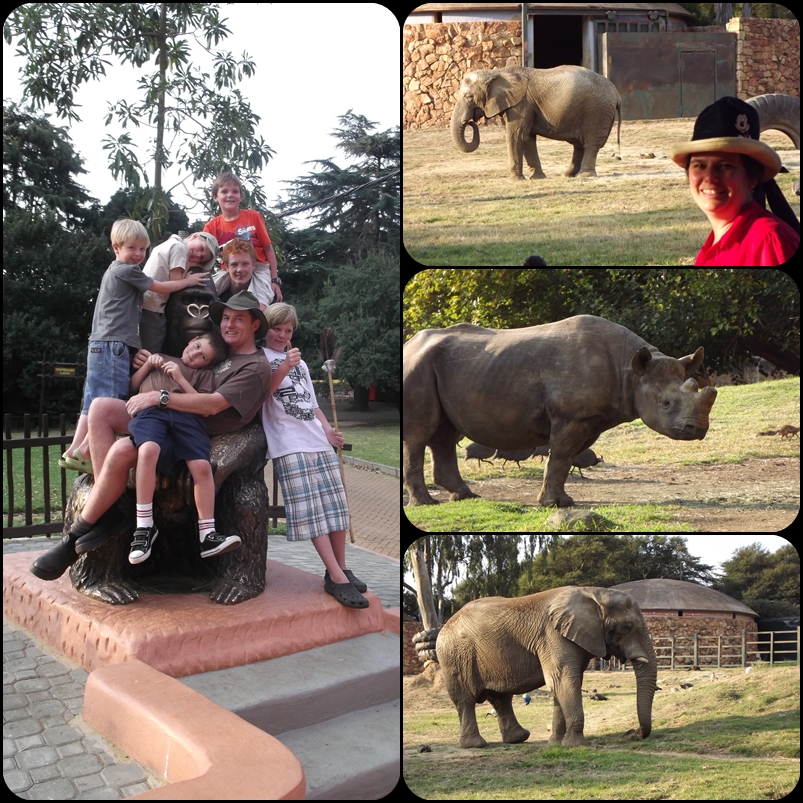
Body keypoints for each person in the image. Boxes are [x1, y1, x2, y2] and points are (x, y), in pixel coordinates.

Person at [31, 291, 272, 582]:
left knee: (122, 453)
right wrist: (147, 362)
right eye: (227, 318)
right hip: (168, 420)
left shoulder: (254, 367)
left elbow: (212, 405)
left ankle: (76, 536)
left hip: (193, 433)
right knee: (101, 408)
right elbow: (187, 361)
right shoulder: (225, 353)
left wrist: (160, 397)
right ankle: (107, 512)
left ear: (255, 325)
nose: (229, 324)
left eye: (239, 319)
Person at [60, 219, 209, 474]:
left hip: (99, 344)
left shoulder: (114, 270)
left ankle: (74, 450)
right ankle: (91, 456)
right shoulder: (127, 270)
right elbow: (159, 287)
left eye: (142, 249)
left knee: (91, 401)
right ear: (116, 247)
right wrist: (187, 281)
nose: (138, 255)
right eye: (132, 248)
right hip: (114, 345)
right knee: (112, 401)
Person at [260, 302, 369, 609]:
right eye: (276, 329)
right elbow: (261, 396)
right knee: (312, 513)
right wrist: (283, 366)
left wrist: (328, 431)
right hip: (288, 444)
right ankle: (335, 577)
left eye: (288, 330)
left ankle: (341, 567)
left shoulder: (302, 364)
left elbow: (313, 404)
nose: (282, 335)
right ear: (265, 328)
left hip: (317, 442)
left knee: (336, 508)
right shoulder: (261, 359)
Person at [127, 331, 241, 564]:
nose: (195, 354)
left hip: (187, 419)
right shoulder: (160, 357)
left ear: (207, 364)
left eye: (202, 356)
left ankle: (207, 534)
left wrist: (180, 378)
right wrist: (148, 364)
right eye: (197, 346)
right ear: (191, 339)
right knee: (148, 449)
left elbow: (201, 406)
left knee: (201, 466)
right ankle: (144, 527)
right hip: (151, 414)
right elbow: (133, 386)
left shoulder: (204, 375)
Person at [668, 96, 799, 266]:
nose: (710, 178)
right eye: (700, 165)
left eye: (725, 166)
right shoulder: (715, 244)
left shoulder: (769, 240)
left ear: (753, 177)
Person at [203, 170, 283, 303]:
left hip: (258, 266)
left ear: (241, 196)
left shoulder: (254, 216)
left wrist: (274, 279)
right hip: (229, 269)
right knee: (205, 293)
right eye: (224, 191)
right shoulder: (212, 226)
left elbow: (268, 248)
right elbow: (205, 257)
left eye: (235, 191)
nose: (230, 195)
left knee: (261, 301)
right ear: (215, 197)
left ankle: (259, 319)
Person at [140, 231, 219, 353]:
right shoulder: (179, 248)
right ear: (194, 236)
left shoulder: (168, 244)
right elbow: (176, 282)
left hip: (146, 303)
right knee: (151, 351)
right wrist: (188, 280)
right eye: (201, 248)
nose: (198, 255)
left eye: (202, 258)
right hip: (152, 307)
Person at [215, 238, 269, 310]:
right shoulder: (215, 295)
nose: (240, 269)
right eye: (234, 264)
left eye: (245, 264)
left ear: (253, 265)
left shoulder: (268, 299)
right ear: (226, 267)